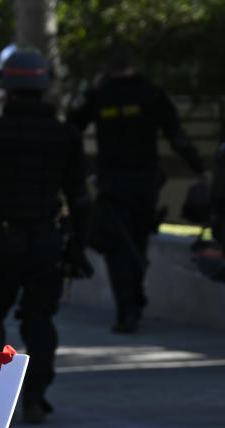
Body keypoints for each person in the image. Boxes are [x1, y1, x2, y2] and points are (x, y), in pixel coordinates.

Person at [0, 49, 92, 425]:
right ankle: (34, 398)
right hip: (46, 241)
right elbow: (80, 199)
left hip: (1, 240)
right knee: (40, 320)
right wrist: (77, 247)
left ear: (6, 85)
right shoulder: (65, 135)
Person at [67, 41, 209, 333]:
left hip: (114, 184)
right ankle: (133, 302)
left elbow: (71, 128)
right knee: (136, 243)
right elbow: (176, 135)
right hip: (143, 184)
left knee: (118, 246)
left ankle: (128, 308)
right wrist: (200, 168)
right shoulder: (150, 94)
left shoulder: (100, 95)